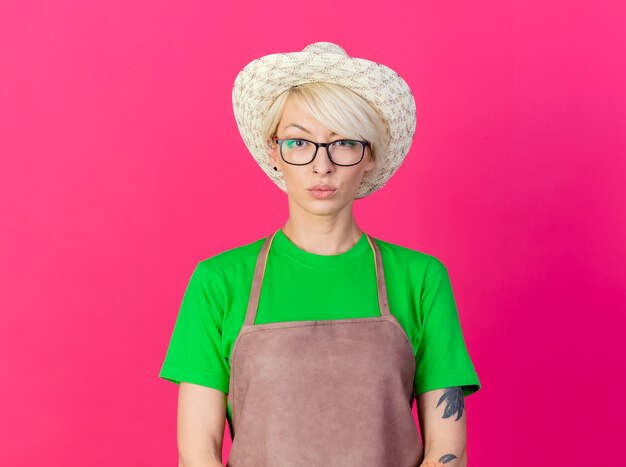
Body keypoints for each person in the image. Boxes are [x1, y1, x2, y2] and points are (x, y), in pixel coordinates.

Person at [159, 42, 481, 467]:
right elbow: (197, 454)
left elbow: (448, 452)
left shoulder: (420, 279)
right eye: (299, 142)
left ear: (368, 156)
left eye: (343, 143)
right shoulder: (218, 282)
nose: (321, 166)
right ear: (274, 152)